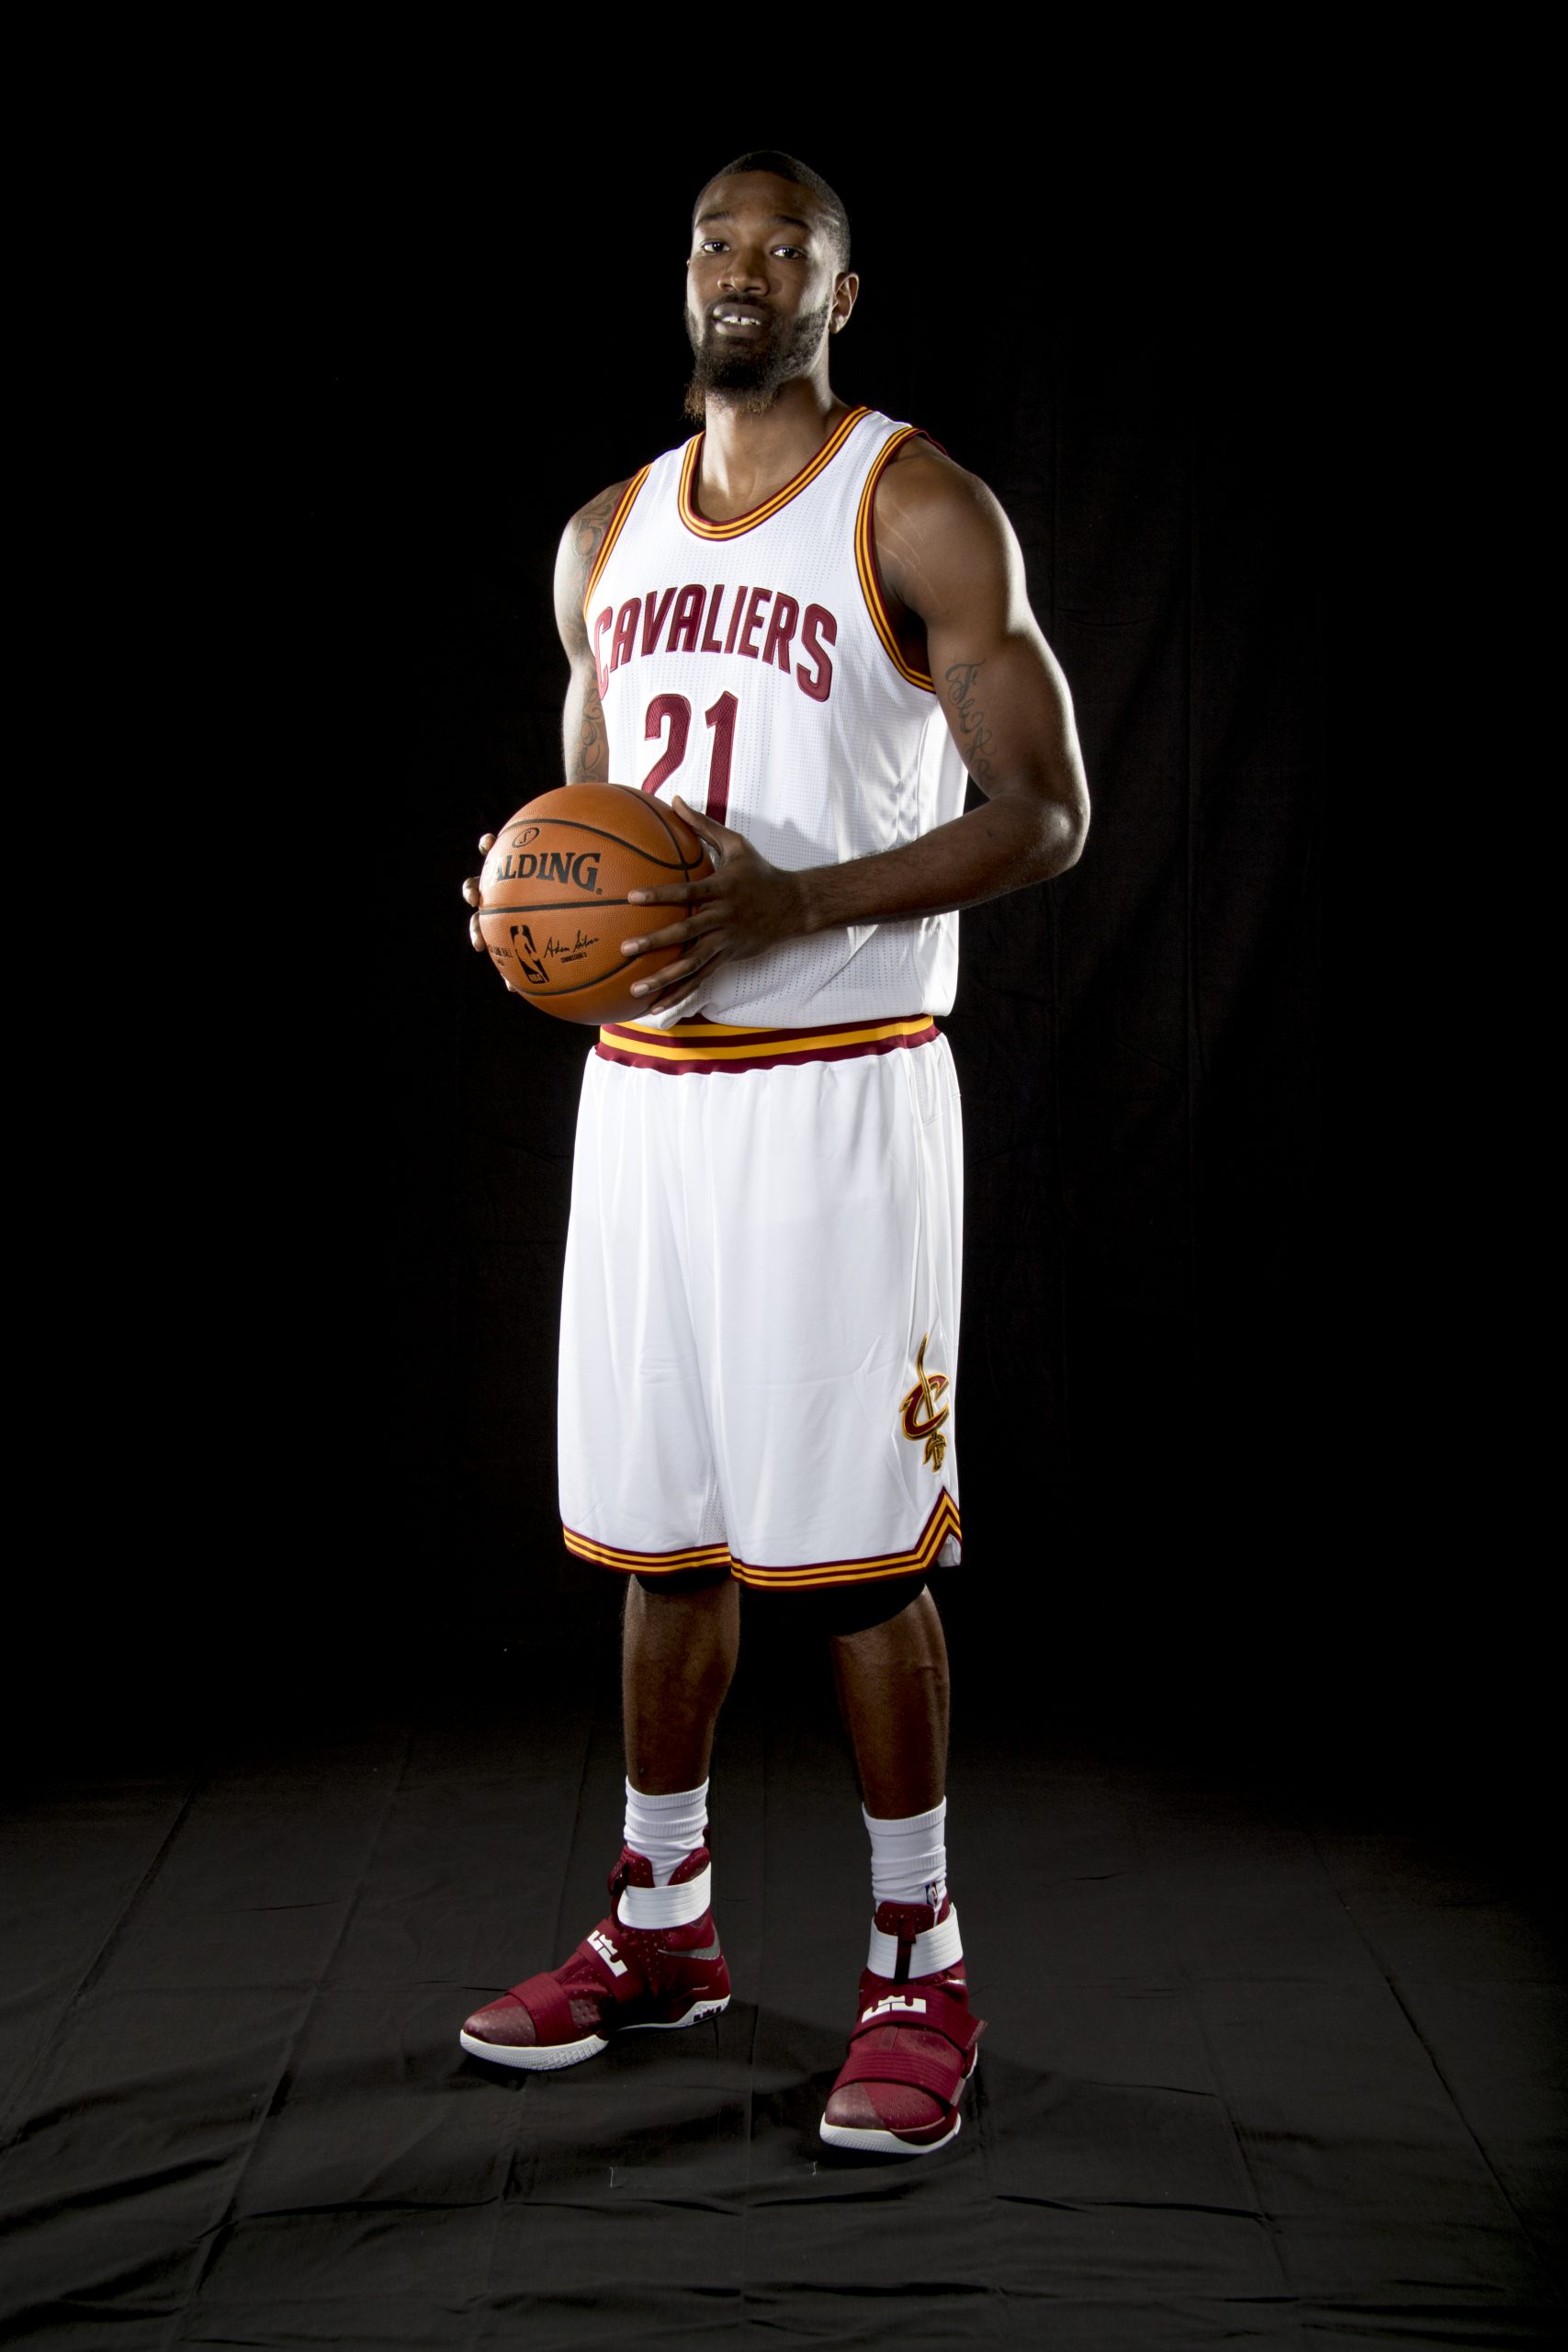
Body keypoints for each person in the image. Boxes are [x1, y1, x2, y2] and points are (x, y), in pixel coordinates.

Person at [458, 152, 1089, 2155]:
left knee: (858, 1558)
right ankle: (663, 1925)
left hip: (838, 1086)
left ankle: (920, 1965)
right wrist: (525, 905)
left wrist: (792, 904)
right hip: (643, 1098)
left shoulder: (914, 505)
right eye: (716, 243)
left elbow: (1045, 809)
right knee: (662, 1537)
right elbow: (595, 819)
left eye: (783, 248)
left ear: (839, 292)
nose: (744, 270)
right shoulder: (605, 535)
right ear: (683, 276)